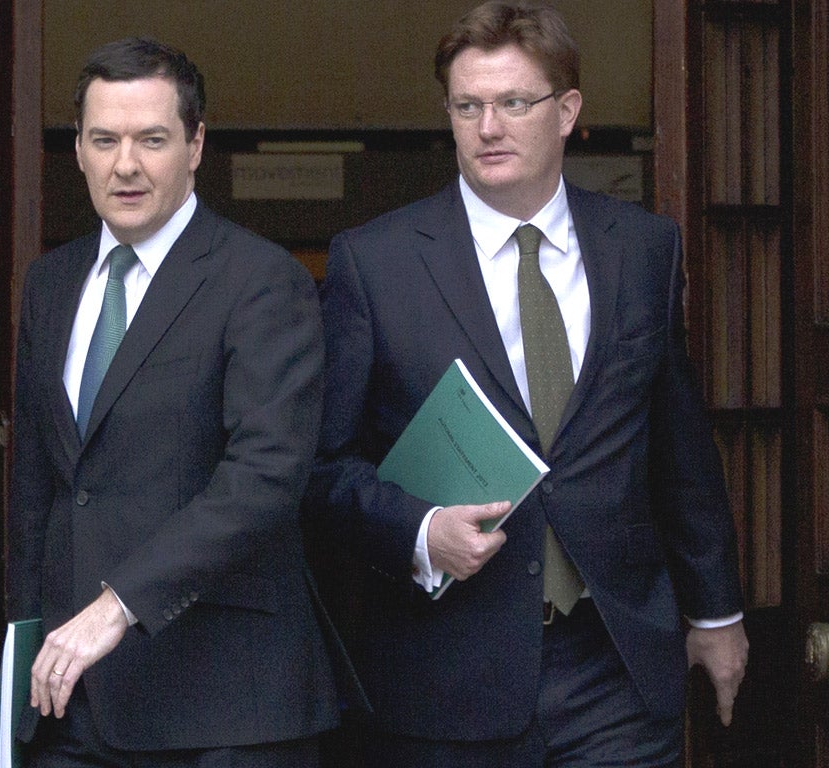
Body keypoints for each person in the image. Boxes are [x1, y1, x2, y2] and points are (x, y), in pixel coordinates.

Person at [306, 2, 748, 766]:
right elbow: (319, 467)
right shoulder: (372, 264)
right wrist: (417, 532)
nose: (488, 127)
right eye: (467, 105)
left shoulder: (643, 249)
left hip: (614, 663)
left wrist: (716, 613)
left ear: (567, 111)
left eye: (514, 102)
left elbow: (679, 448)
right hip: (446, 677)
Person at [7, 36, 338, 767]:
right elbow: (39, 484)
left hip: (221, 708)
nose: (125, 164)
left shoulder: (261, 281)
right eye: (104, 140)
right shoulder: (52, 283)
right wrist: (21, 654)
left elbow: (265, 479)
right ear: (80, 152)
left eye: (151, 139)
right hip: (73, 706)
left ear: (195, 145)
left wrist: (116, 605)